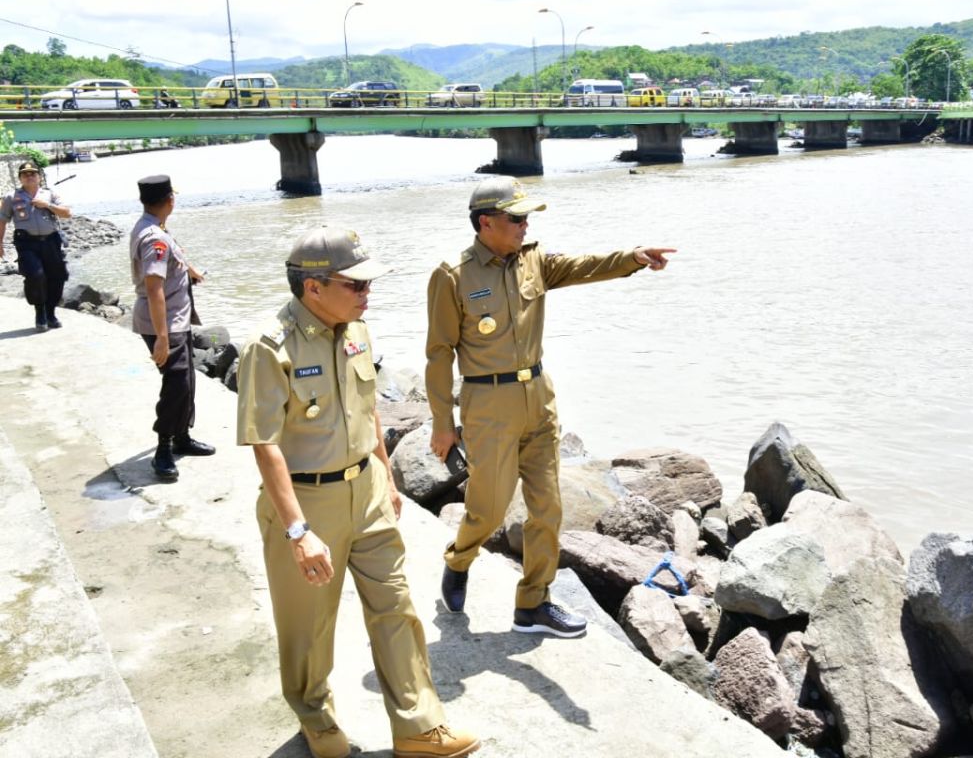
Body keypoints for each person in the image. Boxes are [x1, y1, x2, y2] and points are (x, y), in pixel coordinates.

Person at [237, 228, 478, 758]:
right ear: (314, 288)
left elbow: (367, 413)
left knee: (396, 607)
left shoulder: (357, 331)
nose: (368, 293)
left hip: (367, 493)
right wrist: (298, 532)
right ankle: (315, 715)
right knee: (308, 625)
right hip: (307, 504)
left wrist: (388, 480)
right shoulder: (268, 346)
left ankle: (418, 725)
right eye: (356, 284)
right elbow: (265, 445)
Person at [426, 176, 675, 637]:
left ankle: (532, 604)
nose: (525, 226)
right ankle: (459, 559)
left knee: (547, 509)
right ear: (486, 223)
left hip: (539, 401)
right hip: (488, 404)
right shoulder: (453, 276)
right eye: (516, 218)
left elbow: (582, 266)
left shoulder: (533, 261)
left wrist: (634, 258)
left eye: (526, 218)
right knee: (490, 510)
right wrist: (444, 424)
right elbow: (439, 354)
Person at [129, 175, 215, 481]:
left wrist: (191, 272)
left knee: (187, 380)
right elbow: (154, 289)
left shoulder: (155, 227)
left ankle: (182, 437)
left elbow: (174, 258)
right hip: (165, 321)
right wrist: (162, 339)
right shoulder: (154, 238)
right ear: (169, 200)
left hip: (177, 317)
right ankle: (163, 447)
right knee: (177, 383)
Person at [0, 160, 72, 331]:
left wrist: (47, 205)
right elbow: (2, 221)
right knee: (35, 275)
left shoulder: (50, 193)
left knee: (57, 277)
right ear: (20, 178)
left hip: (51, 241)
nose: (29, 176)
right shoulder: (11, 197)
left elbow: (67, 213)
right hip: (27, 243)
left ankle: (51, 312)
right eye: (25, 174)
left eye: (33, 173)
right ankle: (40, 312)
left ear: (39, 177)